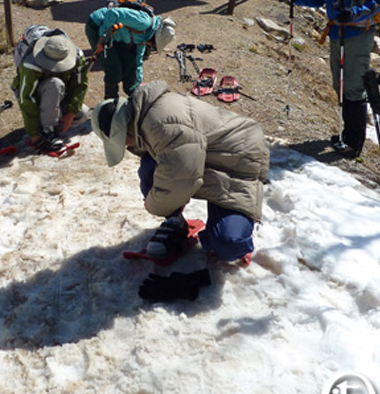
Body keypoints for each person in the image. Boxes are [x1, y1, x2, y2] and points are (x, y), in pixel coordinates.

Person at [91, 81, 269, 263]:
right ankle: (176, 222)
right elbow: (178, 166)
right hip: (208, 153)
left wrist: (154, 205)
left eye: (121, 142)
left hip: (240, 159)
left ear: (124, 132)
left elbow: (181, 177)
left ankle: (233, 235)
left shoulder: (161, 123)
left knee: (226, 244)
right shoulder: (143, 117)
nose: (125, 146)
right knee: (150, 166)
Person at [287, 0, 380, 158]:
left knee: (353, 85)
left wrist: (353, 13)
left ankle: (354, 143)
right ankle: (345, 135)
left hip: (359, 33)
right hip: (336, 33)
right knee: (339, 84)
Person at [12, 26, 89, 152]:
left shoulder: (77, 56)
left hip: (57, 92)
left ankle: (50, 124)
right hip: (38, 92)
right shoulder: (31, 63)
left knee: (82, 114)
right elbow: (26, 97)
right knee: (55, 84)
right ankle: (48, 132)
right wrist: (34, 134)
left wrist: (70, 114)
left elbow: (80, 85)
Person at [85, 6, 176, 99]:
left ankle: (131, 91)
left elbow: (137, 59)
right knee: (113, 69)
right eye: (154, 44)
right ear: (155, 36)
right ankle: (110, 100)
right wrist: (101, 39)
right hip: (97, 25)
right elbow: (113, 14)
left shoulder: (144, 37)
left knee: (130, 61)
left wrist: (137, 83)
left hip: (115, 35)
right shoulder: (143, 22)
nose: (151, 45)